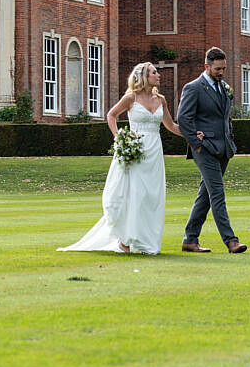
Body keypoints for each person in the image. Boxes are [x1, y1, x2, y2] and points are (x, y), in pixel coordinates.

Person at [58, 62, 183, 255]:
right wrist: (120, 139)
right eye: (154, 72)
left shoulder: (161, 100)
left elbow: (171, 126)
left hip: (154, 152)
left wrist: (192, 135)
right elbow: (111, 115)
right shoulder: (130, 97)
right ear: (144, 76)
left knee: (151, 197)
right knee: (135, 195)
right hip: (135, 153)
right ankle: (126, 240)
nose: (158, 75)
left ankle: (145, 241)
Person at [176, 47, 248, 254]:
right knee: (217, 194)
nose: (221, 72)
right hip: (204, 149)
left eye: (224, 68)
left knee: (206, 195)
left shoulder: (224, 87)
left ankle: (190, 239)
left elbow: (225, 118)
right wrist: (196, 144)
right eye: (217, 68)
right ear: (206, 66)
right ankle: (231, 241)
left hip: (224, 148)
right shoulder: (193, 88)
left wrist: (230, 140)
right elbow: (183, 118)